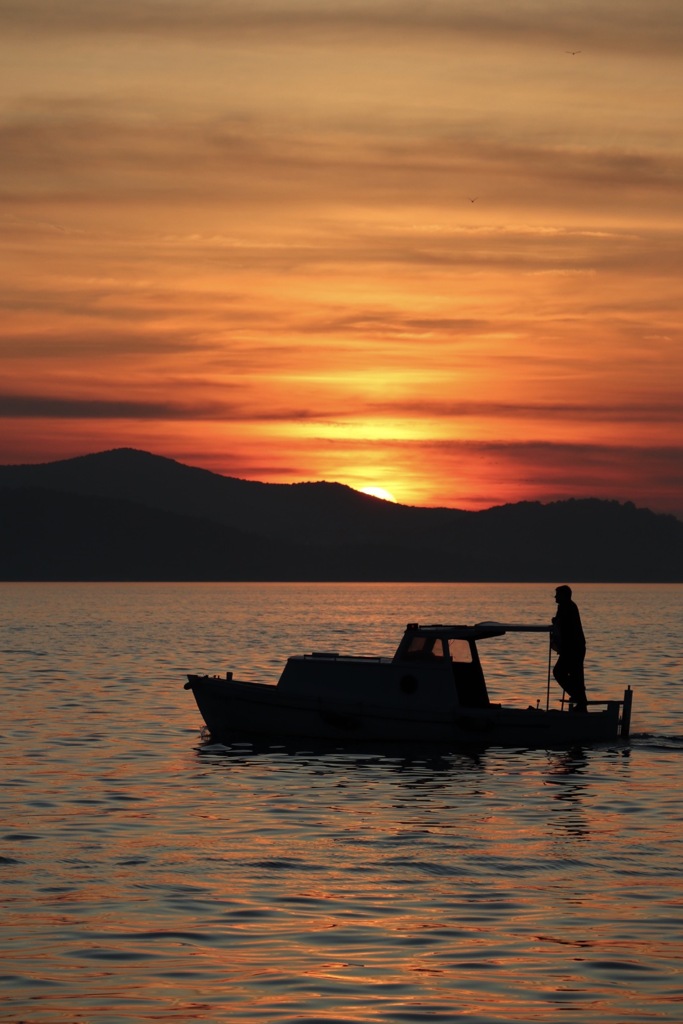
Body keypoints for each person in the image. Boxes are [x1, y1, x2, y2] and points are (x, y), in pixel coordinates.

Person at [551, 585, 588, 712]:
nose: (555, 597)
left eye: (557, 594)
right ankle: (581, 702)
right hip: (573, 647)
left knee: (560, 672)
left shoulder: (567, 607)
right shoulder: (566, 607)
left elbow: (564, 625)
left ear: (564, 596)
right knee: (575, 675)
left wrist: (556, 621)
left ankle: (579, 698)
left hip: (573, 648)